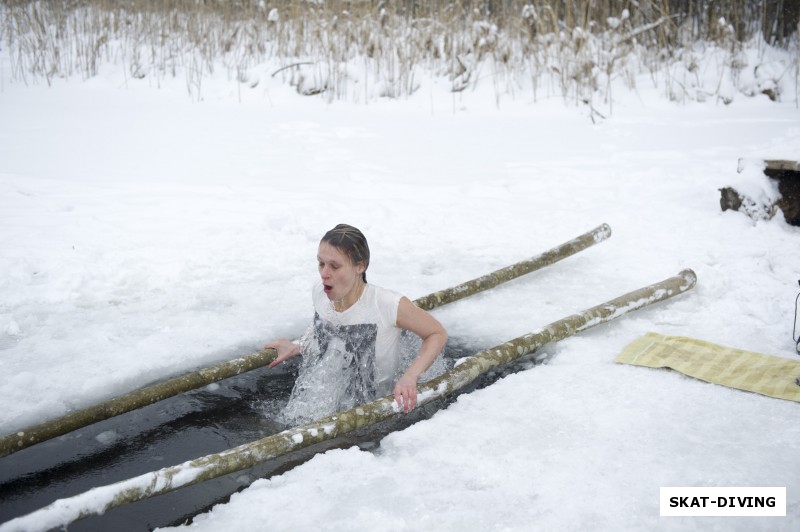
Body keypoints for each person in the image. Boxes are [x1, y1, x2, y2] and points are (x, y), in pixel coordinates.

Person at [265, 223, 448, 415]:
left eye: (334, 266)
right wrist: (297, 347)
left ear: (360, 266)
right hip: (336, 405)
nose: (324, 274)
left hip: (381, 413)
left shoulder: (387, 304)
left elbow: (437, 333)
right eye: (321, 263)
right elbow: (328, 337)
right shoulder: (320, 292)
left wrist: (410, 377)